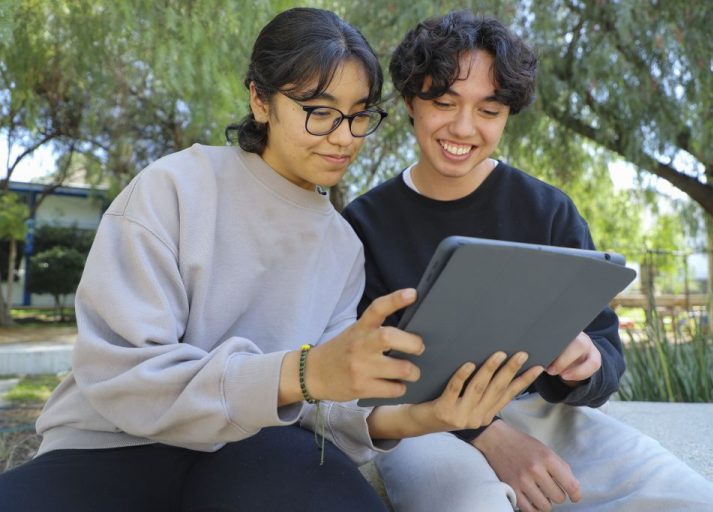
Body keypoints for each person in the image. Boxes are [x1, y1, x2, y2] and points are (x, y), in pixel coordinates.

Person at [0, 8, 543, 512]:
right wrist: (301, 371)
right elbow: (124, 375)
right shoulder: (174, 189)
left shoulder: (342, 244)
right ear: (261, 100)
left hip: (257, 451)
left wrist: (430, 416)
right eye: (319, 113)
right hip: (112, 447)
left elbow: (324, 408)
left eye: (358, 116)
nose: (343, 138)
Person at [342, 11, 713, 512]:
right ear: (410, 101)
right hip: (422, 425)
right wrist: (489, 438)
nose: (464, 127)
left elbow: (604, 346)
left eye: (489, 111)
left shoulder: (547, 209)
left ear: (509, 114)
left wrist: (586, 363)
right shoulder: (365, 223)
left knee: (693, 499)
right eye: (444, 103)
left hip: (542, 412)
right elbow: (369, 378)